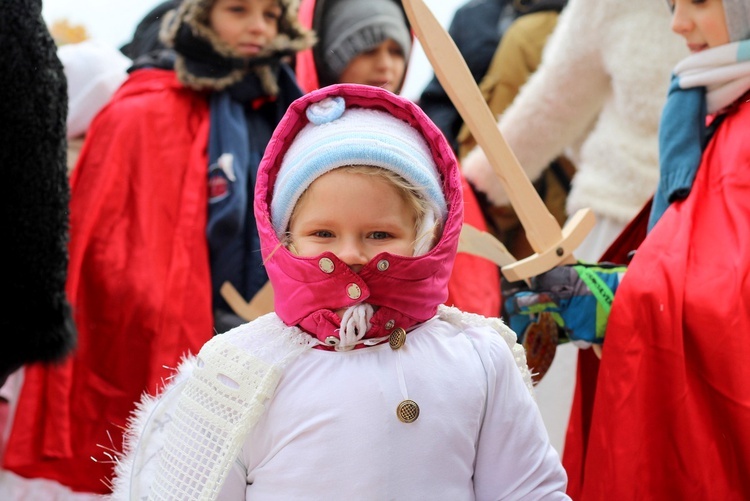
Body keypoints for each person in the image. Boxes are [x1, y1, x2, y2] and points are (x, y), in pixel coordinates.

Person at [110, 83, 570, 499]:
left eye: (379, 235)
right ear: (284, 235)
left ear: (426, 235)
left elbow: (528, 490)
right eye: (324, 234)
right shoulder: (243, 369)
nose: (350, 254)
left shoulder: (477, 358)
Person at [1, 0, 314, 495]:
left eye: (272, 16)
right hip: (159, 331)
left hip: (254, 341)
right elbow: (99, 245)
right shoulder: (142, 108)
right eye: (239, 10)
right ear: (202, 16)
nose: (258, 27)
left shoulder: (285, 115)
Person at [504, 0, 750, 497]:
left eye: (699, 2)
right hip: (627, 244)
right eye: (672, 4)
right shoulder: (711, 102)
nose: (677, 23)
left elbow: (732, 291)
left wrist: (613, 300)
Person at [460, 0, 687, 462]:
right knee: (574, 429)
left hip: (715, 247)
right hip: (608, 233)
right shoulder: (607, 6)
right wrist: (466, 188)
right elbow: (553, 101)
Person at [295, 0, 502, 318]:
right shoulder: (293, 147)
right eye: (366, 50)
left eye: (395, 51)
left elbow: (467, 262)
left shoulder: (421, 141)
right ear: (328, 55)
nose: (385, 65)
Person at [417, 0, 518, 154]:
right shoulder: (469, 16)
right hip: (471, 160)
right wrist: (448, 153)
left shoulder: (563, 17)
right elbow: (440, 99)